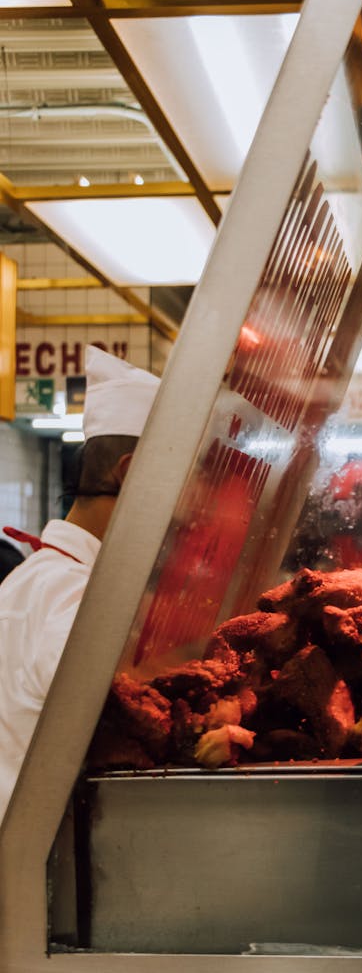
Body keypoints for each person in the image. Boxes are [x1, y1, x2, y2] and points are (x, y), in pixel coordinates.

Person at [0, 345, 160, 823]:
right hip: (34, 880)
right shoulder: (65, 595)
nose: (195, 510)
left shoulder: (73, 582)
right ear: (130, 473)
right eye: (188, 482)